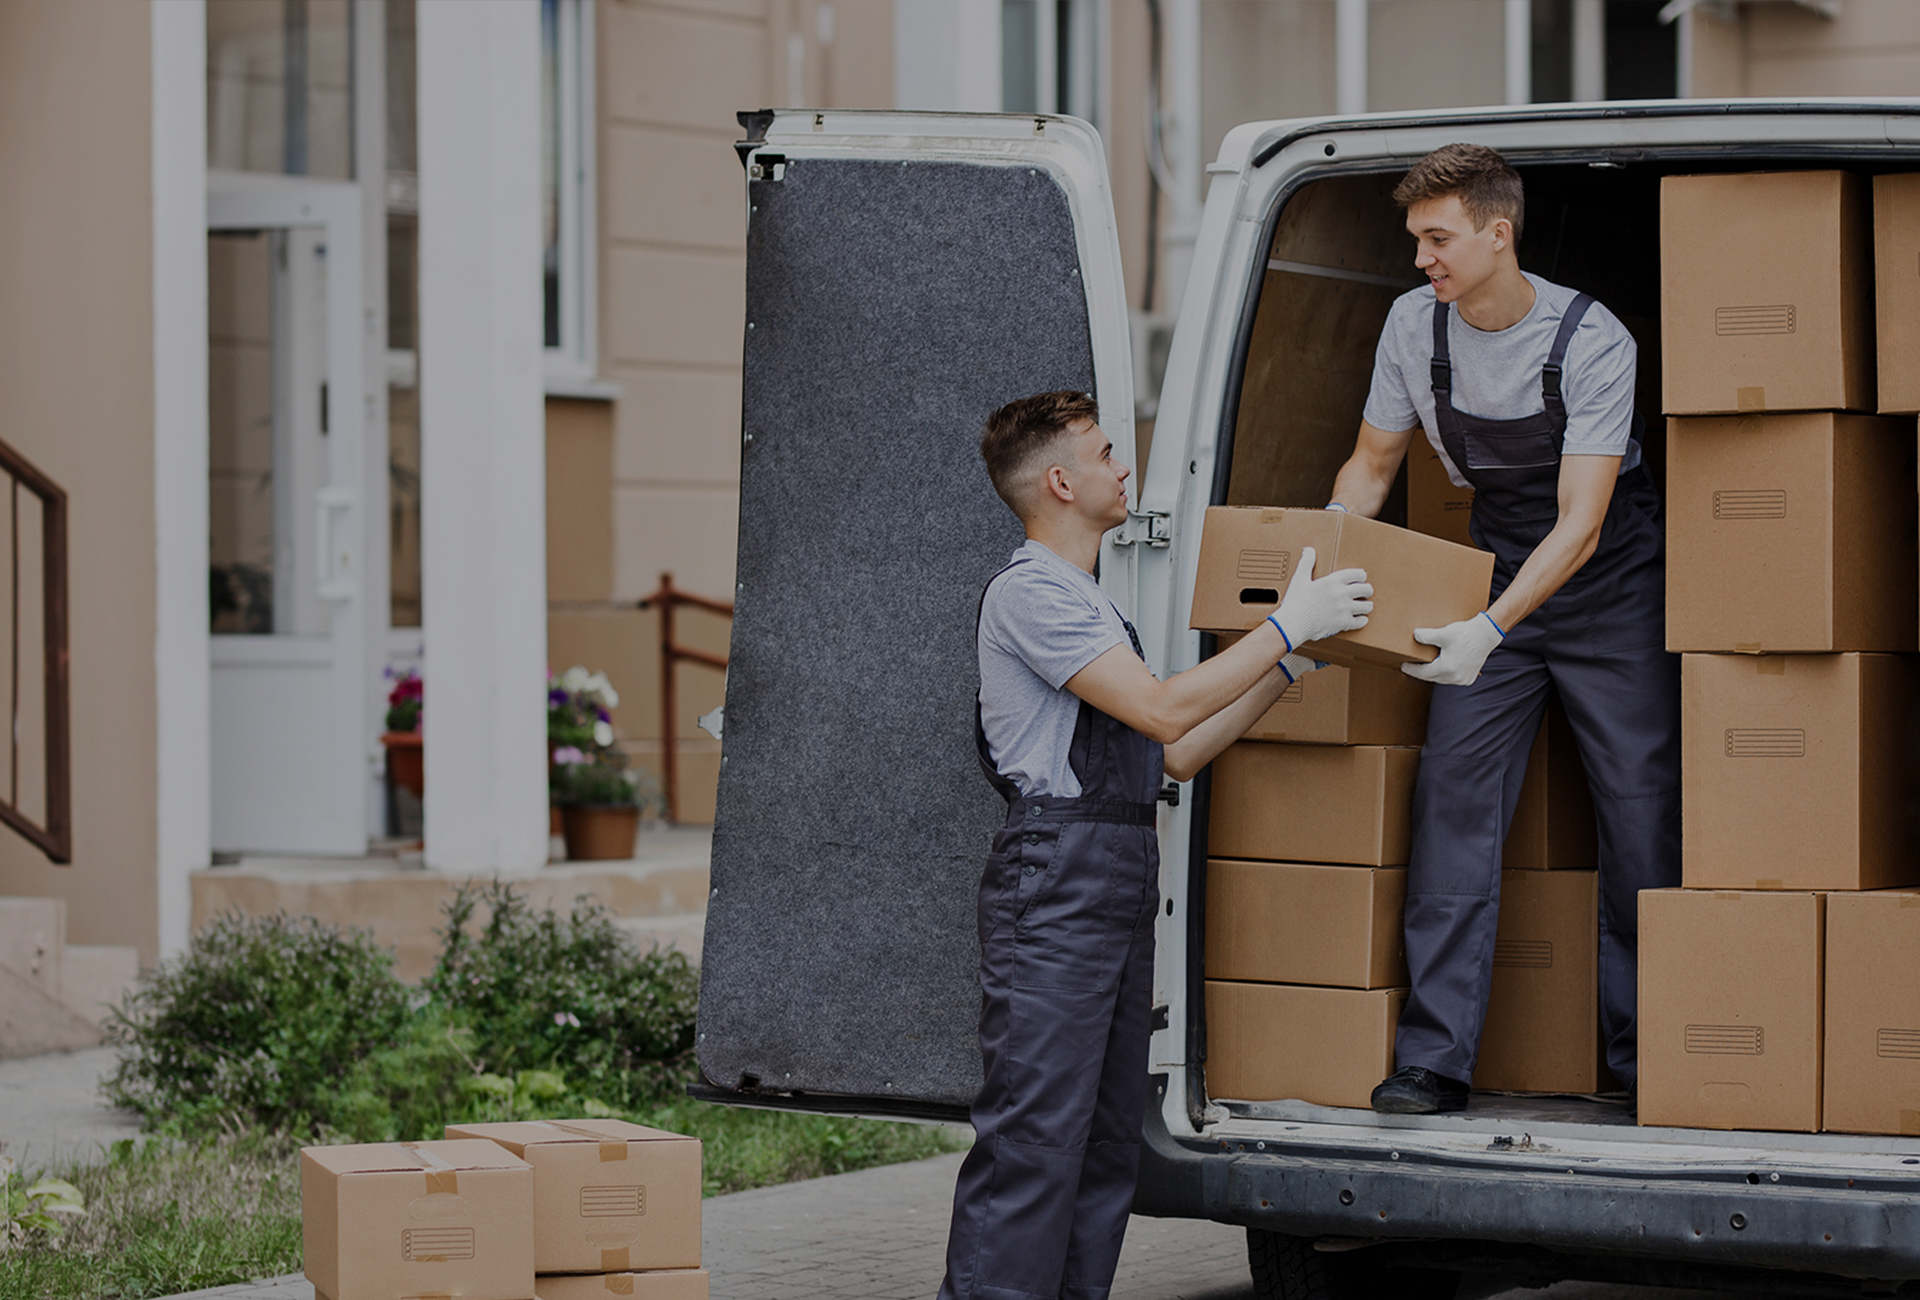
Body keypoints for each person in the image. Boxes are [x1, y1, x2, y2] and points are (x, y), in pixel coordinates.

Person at [939, 390, 1372, 1300]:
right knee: (1034, 1145)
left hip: (1113, 873)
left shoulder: (1091, 602)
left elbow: (1173, 751)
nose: (1123, 465)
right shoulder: (1032, 594)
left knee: (1101, 1150)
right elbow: (1163, 706)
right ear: (1061, 480)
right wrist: (1284, 625)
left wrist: (1285, 669)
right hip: (1054, 880)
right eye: (1105, 451)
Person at [1323, 143, 1680, 1116]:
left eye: (1436, 239)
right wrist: (1324, 555)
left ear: (1498, 233)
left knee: (1642, 818)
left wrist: (1487, 626)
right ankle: (1434, 1059)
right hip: (1495, 586)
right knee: (1453, 805)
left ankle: (1650, 1057)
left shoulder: (1592, 338)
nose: (1420, 259)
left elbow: (1584, 522)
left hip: (1608, 589)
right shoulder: (1413, 325)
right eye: (1416, 240)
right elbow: (1372, 462)